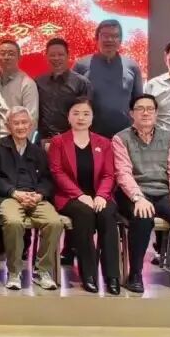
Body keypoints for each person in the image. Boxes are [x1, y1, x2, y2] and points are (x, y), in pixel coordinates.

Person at [112, 94, 170, 295]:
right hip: (133, 193)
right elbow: (123, 173)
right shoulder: (120, 138)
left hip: (163, 193)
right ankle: (135, 274)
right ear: (131, 113)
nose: (145, 113)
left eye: (150, 109)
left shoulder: (169, 137)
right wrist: (138, 197)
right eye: (140, 109)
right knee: (142, 217)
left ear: (156, 113)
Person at [48, 97, 120, 295]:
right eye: (76, 113)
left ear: (93, 117)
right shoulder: (58, 142)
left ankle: (112, 276)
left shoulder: (104, 143)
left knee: (107, 216)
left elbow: (109, 174)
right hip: (69, 197)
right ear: (68, 117)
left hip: (99, 196)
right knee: (85, 214)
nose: (81, 118)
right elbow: (57, 172)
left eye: (86, 114)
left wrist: (102, 195)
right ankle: (88, 274)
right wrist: (79, 195)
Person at [0, 106, 61, 291]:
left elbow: (47, 179)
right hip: (9, 197)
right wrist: (14, 193)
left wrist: (39, 195)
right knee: (13, 222)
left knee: (54, 222)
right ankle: (14, 272)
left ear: (30, 125)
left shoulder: (38, 151)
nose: (20, 127)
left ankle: (42, 271)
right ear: (8, 126)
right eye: (16, 123)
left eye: (24, 123)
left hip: (35, 197)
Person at [74, 20, 144, 138]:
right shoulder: (81, 65)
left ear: (120, 40)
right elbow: (73, 102)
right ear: (97, 38)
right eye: (105, 35)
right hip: (89, 135)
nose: (110, 40)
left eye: (115, 36)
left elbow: (139, 103)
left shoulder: (132, 66)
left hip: (125, 136)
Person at [36, 38, 92, 141]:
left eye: (60, 55)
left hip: (71, 140)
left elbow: (86, 114)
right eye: (52, 55)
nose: (56, 58)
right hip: (43, 140)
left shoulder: (81, 83)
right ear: (46, 57)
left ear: (68, 56)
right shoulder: (39, 82)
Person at [0, 40, 39, 140]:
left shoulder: (27, 84)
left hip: (15, 139)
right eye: (2, 53)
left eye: (11, 54)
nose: (6, 57)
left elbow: (32, 119)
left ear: (19, 57)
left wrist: (22, 144)